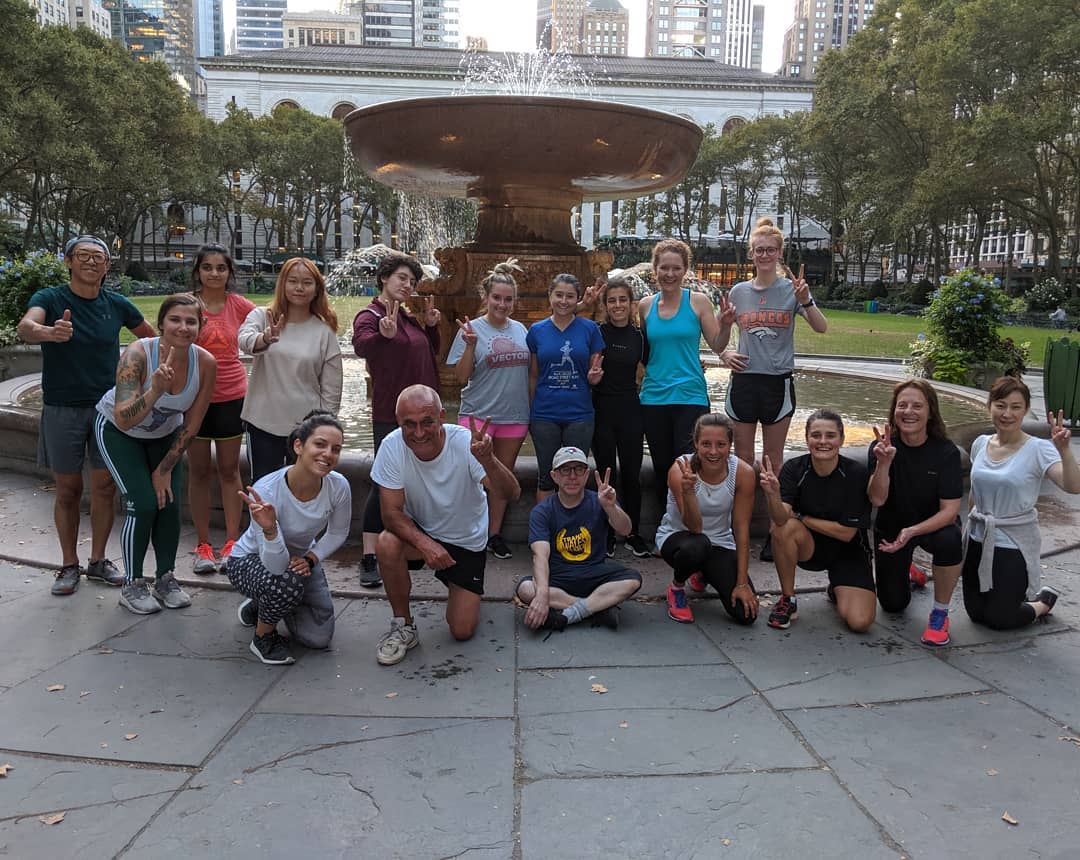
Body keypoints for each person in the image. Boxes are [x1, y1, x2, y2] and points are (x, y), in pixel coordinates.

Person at [17, 236, 155, 596]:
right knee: (67, 490)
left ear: (107, 266)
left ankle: (97, 561)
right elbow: (25, 327)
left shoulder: (117, 304)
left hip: (107, 411)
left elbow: (151, 340)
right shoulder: (50, 299)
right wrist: (49, 332)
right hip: (63, 407)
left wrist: (139, 376)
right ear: (68, 261)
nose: (92, 263)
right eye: (84, 256)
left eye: (99, 258)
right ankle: (67, 564)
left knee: (105, 488)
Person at [371, 385, 520, 666]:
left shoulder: (464, 442)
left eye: (427, 421)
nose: (418, 432)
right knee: (386, 542)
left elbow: (510, 494)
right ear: (398, 422)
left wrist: (488, 460)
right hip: (423, 533)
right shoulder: (392, 445)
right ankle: (403, 625)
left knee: (461, 630)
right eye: (409, 424)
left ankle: (459, 584)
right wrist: (426, 544)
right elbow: (390, 513)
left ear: (442, 416)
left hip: (466, 540)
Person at [93, 295, 217, 615]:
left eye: (191, 321)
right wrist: (155, 390)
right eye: (175, 319)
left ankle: (165, 578)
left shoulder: (205, 363)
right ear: (161, 322)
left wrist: (165, 468)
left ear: (200, 327)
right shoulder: (137, 355)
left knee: (169, 504)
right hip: (119, 433)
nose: (183, 327)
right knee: (144, 504)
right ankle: (132, 584)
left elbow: (192, 424)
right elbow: (123, 417)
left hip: (165, 438)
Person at [723, 218, 828, 561]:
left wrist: (807, 300)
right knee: (740, 462)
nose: (765, 255)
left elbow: (821, 328)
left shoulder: (791, 290)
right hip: (744, 382)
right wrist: (724, 350)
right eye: (759, 250)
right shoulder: (738, 292)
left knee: (773, 463)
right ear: (751, 254)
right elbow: (721, 340)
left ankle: (775, 531)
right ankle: (736, 533)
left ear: (780, 253)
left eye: (771, 250)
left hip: (777, 384)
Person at [229, 412, 351, 665]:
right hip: (249, 560)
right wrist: (271, 530)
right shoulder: (267, 490)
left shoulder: (338, 486)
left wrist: (311, 559)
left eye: (336, 449)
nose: (328, 453)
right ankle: (263, 637)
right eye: (320, 444)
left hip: (301, 559)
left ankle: (260, 606)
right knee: (286, 580)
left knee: (318, 638)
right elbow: (274, 566)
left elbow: (338, 532)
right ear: (298, 446)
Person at [352, 251, 441, 589]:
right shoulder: (372, 314)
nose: (408, 285)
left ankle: (406, 547)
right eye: (402, 278)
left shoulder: (406, 316)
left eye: (412, 281)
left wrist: (431, 328)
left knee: (411, 480)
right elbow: (361, 346)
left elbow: (428, 351)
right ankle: (369, 555)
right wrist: (381, 335)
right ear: (384, 278)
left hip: (423, 415)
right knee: (384, 482)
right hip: (393, 414)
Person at [961, 378, 1078, 630]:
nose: (1007, 414)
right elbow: (975, 491)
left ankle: (1042, 602)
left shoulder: (1038, 448)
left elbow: (1073, 486)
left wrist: (1065, 451)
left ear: (1025, 410)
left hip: (1012, 542)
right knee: (976, 614)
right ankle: (1009, 595)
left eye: (1016, 407)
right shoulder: (981, 443)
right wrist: (969, 530)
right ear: (989, 406)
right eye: (1000, 405)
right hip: (978, 537)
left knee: (1000, 618)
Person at [637, 239, 735, 522]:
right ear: (654, 270)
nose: (669, 274)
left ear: (685, 271)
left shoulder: (698, 302)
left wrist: (726, 324)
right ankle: (667, 526)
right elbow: (644, 354)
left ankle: (693, 525)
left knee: (689, 466)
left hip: (689, 396)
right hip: (653, 398)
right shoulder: (644, 307)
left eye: (676, 268)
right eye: (664, 268)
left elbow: (717, 343)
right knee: (662, 467)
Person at [760, 409, 876, 633]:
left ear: (841, 439)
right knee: (782, 529)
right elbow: (781, 518)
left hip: (848, 550)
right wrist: (772, 495)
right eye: (816, 435)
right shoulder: (794, 469)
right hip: (809, 547)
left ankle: (838, 588)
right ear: (807, 438)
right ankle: (788, 599)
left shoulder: (856, 473)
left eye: (830, 435)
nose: (823, 442)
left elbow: (847, 533)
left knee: (860, 622)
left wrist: (802, 517)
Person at [867, 379, 964, 646]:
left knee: (950, 539)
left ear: (930, 411)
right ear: (893, 411)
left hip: (933, 526)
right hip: (892, 528)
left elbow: (950, 510)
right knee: (893, 605)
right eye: (902, 405)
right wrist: (883, 464)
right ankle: (909, 572)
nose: (908, 411)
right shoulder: (881, 448)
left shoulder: (946, 452)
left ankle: (940, 613)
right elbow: (877, 499)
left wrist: (913, 532)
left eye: (917, 406)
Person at [445, 260, 529, 560]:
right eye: (497, 298)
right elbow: (461, 377)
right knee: (471, 477)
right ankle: (466, 533)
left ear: (514, 301)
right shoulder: (471, 330)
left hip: (515, 418)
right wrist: (469, 345)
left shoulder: (521, 330)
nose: (502, 304)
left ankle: (493, 535)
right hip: (478, 416)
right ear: (487, 297)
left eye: (508, 299)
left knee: (501, 480)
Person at [239, 257, 342, 481]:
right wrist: (265, 338)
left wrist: (325, 425)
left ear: (316, 289)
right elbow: (244, 340)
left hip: (307, 427)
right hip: (263, 422)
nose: (299, 288)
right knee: (263, 487)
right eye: (293, 281)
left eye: (307, 282)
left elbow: (332, 388)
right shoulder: (262, 316)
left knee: (304, 488)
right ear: (283, 284)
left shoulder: (324, 332)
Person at [517, 447, 642, 632]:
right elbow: (540, 556)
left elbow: (626, 529)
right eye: (565, 470)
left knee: (633, 580)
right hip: (559, 576)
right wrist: (542, 594)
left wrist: (610, 507)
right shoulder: (542, 511)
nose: (572, 476)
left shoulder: (600, 500)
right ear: (554, 476)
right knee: (526, 589)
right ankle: (596, 609)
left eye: (579, 469)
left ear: (587, 474)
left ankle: (567, 615)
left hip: (594, 573)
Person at [187, 244, 256, 575]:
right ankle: (202, 545)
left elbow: (269, 326)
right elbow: (169, 338)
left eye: (221, 268)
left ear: (229, 273)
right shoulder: (188, 304)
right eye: (208, 267)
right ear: (198, 271)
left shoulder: (239, 305)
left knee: (230, 471)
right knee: (198, 471)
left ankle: (232, 542)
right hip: (193, 398)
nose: (214, 273)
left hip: (231, 396)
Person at [655, 413, 758, 626]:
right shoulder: (680, 469)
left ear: (730, 444)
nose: (713, 452)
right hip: (680, 538)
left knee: (746, 614)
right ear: (695, 443)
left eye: (721, 444)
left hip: (719, 543)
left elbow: (741, 529)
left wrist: (741, 583)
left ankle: (702, 572)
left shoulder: (743, 473)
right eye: (706, 444)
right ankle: (677, 586)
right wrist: (688, 491)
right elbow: (695, 526)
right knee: (698, 544)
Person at [527, 273, 605, 502]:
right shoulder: (537, 330)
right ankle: (545, 531)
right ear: (549, 296)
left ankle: (573, 532)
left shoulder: (590, 329)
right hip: (544, 415)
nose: (564, 301)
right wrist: (532, 411)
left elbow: (594, 371)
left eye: (570, 296)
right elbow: (533, 375)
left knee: (575, 477)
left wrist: (594, 378)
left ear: (578, 299)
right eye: (558, 295)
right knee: (546, 477)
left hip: (579, 415)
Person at [591, 276, 651, 558]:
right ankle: (607, 532)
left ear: (631, 304)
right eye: (612, 300)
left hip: (630, 410)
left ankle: (633, 532)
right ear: (605, 304)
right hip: (601, 410)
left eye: (622, 300)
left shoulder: (640, 337)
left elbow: (656, 365)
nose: (617, 305)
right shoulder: (596, 333)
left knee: (632, 473)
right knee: (606, 472)